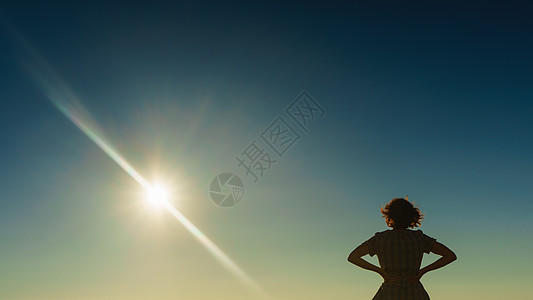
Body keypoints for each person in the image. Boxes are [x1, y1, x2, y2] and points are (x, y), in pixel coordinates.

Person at [347, 197, 456, 300]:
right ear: (411, 216)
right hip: (415, 293)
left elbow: (353, 257)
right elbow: (450, 255)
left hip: (389, 293)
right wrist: (422, 271)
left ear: (390, 216)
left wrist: (380, 271)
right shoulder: (419, 238)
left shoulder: (380, 239)